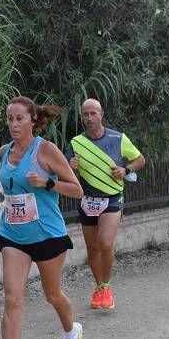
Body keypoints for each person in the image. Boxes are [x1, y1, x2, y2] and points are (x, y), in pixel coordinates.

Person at [0, 96, 85, 339]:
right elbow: (11, 189)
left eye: (19, 119)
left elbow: (77, 190)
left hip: (47, 235)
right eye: (9, 119)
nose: (13, 124)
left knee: (52, 294)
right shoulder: (5, 152)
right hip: (14, 235)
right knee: (12, 299)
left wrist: (47, 184)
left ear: (32, 120)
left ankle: (72, 332)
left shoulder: (46, 150)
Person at [66, 98, 146, 309]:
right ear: (82, 117)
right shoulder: (75, 143)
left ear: (101, 114)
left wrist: (126, 170)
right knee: (92, 249)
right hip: (88, 200)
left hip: (112, 198)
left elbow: (140, 159)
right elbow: (63, 171)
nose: (90, 118)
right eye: (85, 114)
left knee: (105, 243)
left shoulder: (118, 138)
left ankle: (107, 286)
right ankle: (100, 287)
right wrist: (70, 165)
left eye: (93, 113)